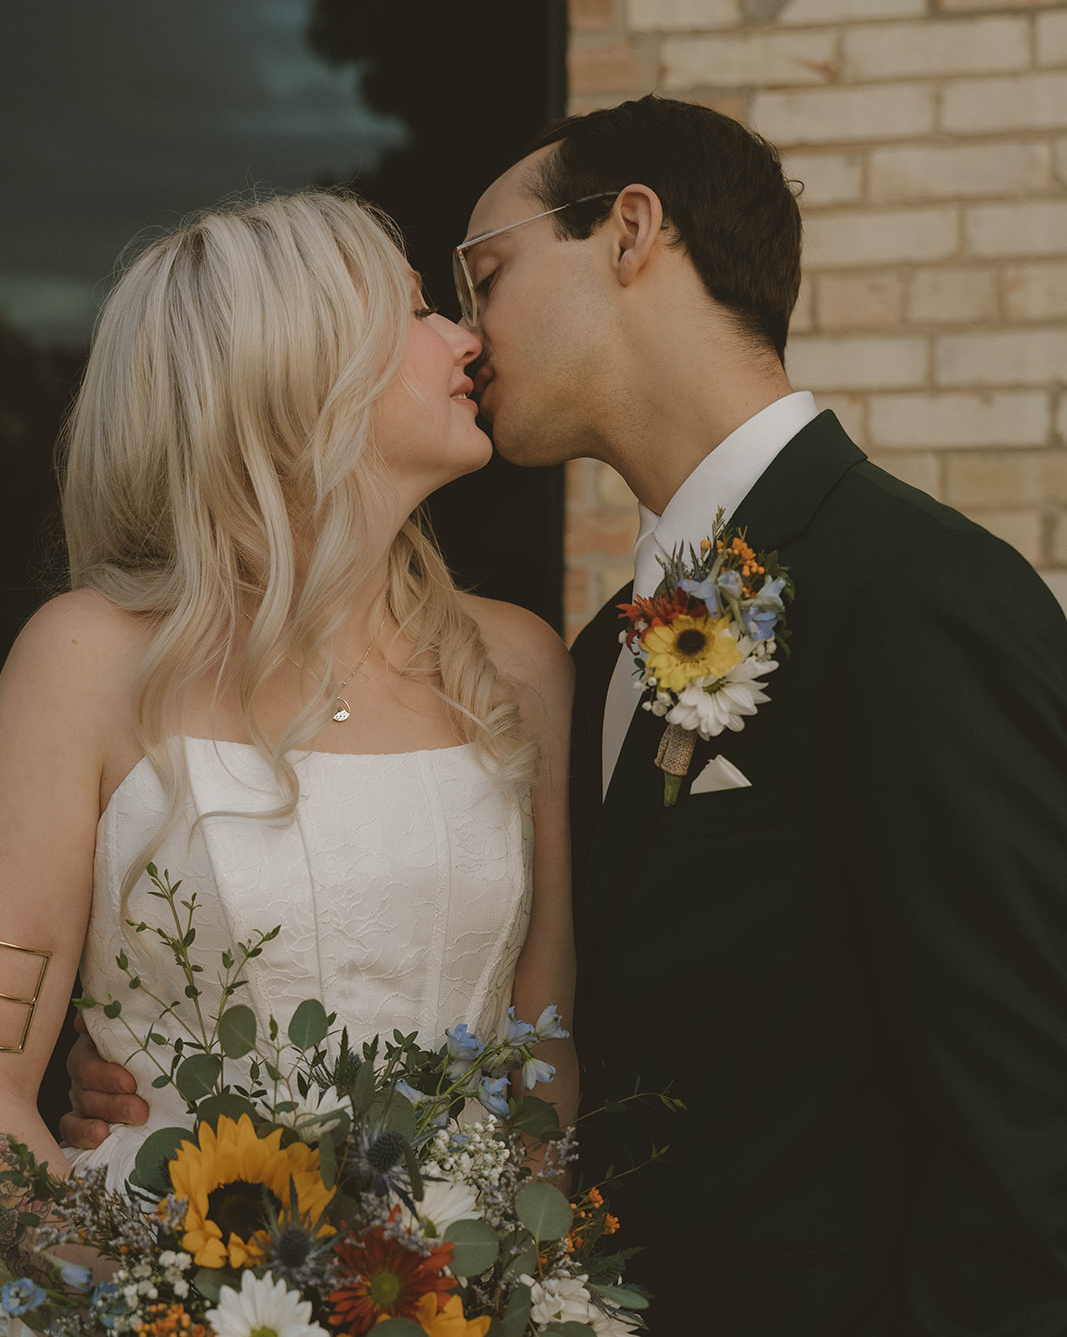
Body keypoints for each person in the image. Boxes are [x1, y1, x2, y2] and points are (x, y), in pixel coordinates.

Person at [66, 96, 1067, 1333]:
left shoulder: (914, 595)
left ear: (629, 232)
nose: (469, 334)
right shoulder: (584, 659)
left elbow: (1030, 1113)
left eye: (481, 275)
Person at [0, 190, 577, 1272]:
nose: (463, 336)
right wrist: (145, 1301)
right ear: (300, 375)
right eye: (413, 312)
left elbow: (544, 1063)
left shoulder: (517, 665)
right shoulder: (84, 661)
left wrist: (508, 1289)